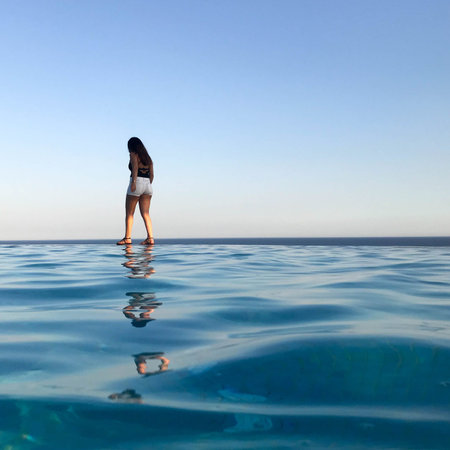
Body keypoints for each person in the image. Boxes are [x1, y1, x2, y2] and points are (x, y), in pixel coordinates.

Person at [117, 137, 154, 245]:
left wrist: (134, 183)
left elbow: (135, 169)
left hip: (136, 182)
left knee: (129, 213)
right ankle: (150, 238)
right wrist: (147, 184)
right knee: (146, 213)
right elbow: (152, 175)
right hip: (148, 185)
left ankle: (127, 238)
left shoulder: (133, 155)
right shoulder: (148, 158)